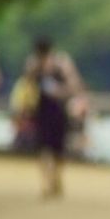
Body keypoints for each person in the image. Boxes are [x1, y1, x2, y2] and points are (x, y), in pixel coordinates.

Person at [23, 36, 81, 198]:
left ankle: (56, 177)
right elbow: (27, 84)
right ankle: (46, 182)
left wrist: (59, 91)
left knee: (58, 149)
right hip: (41, 111)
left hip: (59, 109)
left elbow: (73, 84)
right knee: (42, 148)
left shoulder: (61, 63)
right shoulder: (33, 65)